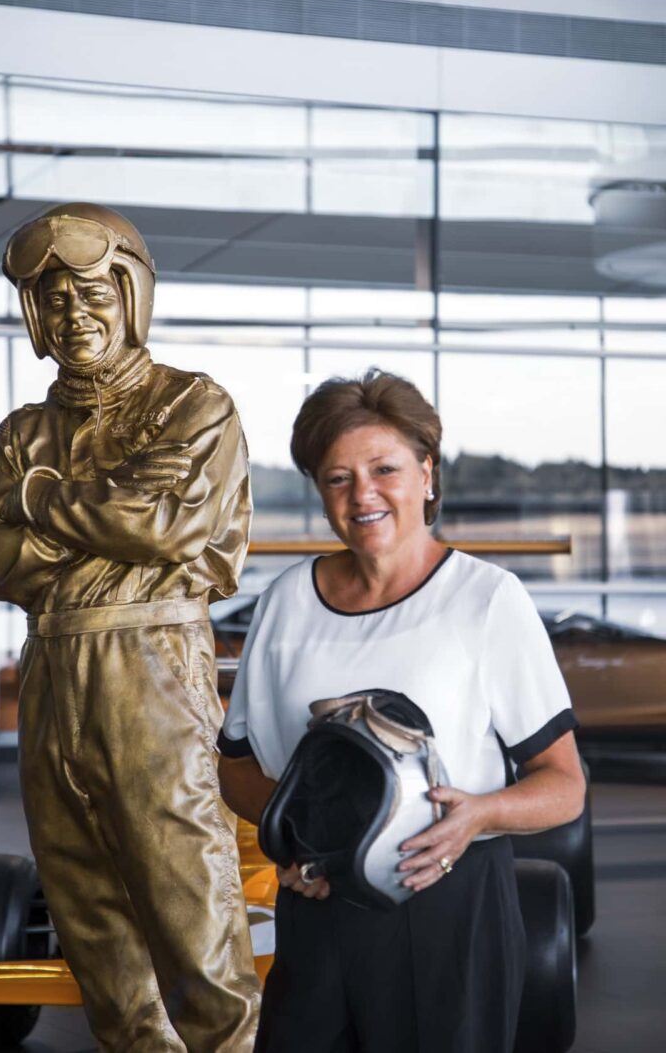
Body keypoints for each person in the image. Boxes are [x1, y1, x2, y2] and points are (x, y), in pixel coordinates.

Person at [0, 203, 260, 1053]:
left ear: (131, 294)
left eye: (91, 292)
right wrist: (107, 514)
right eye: (51, 300)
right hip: (52, 684)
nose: (72, 316)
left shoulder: (194, 406)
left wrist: (38, 501)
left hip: (153, 676)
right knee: (100, 949)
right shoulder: (22, 432)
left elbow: (167, 527)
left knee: (198, 936)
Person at [218, 368, 585, 1053]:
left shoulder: (486, 600)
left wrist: (480, 811)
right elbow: (234, 767)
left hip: (446, 907)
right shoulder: (285, 602)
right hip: (318, 910)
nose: (364, 494)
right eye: (337, 477)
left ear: (426, 473)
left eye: (384, 468)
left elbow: (564, 784)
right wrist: (287, 838)